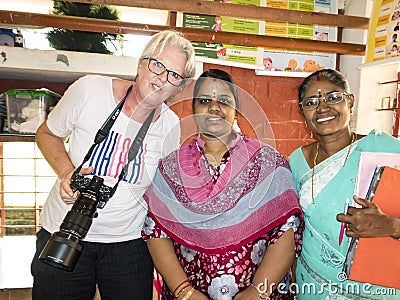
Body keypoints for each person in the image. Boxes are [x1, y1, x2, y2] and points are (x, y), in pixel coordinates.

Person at [31, 30, 196, 300]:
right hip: (65, 229)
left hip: (127, 244)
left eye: (174, 75)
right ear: (141, 63)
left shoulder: (170, 125)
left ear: (179, 87)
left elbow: (164, 188)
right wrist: (66, 173)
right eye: (157, 65)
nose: (162, 78)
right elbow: (47, 134)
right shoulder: (90, 90)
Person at [142, 69, 303, 300]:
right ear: (194, 109)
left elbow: (287, 229)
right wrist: (184, 292)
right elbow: (155, 231)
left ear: (235, 109)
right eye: (205, 100)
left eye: (224, 101)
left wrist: (258, 291)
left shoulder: (266, 162)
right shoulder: (171, 168)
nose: (214, 107)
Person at [289, 69, 400, 299]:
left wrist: (393, 227)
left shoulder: (389, 150)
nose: (323, 108)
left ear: (350, 101)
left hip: (374, 289)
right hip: (312, 286)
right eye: (311, 102)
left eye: (333, 97)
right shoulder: (296, 161)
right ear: (303, 112)